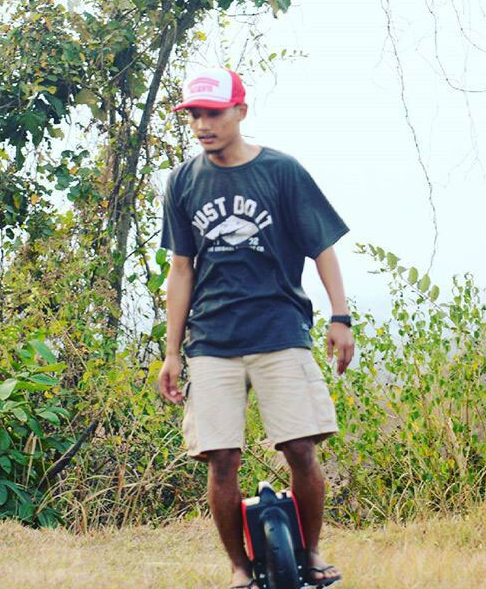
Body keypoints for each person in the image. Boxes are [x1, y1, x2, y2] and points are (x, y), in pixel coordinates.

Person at [157, 67, 354, 589]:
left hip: (279, 330)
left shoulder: (281, 171)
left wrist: (340, 317)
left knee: (301, 448)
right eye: (194, 115)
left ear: (240, 111)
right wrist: (173, 352)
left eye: (213, 113)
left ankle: (310, 555)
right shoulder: (182, 181)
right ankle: (239, 570)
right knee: (220, 458)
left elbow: (322, 247)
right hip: (211, 340)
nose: (203, 124)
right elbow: (182, 268)